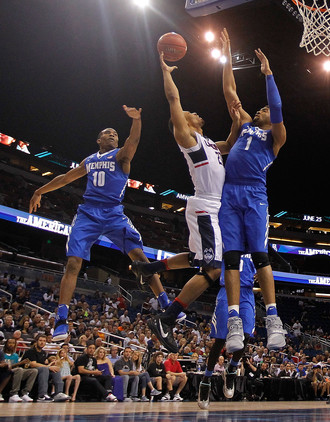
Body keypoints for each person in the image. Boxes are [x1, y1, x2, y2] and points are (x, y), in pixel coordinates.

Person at [28, 105, 175, 341]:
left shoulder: (121, 156)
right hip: (88, 213)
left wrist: (136, 120)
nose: (113, 135)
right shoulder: (90, 160)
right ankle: (61, 319)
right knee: (74, 262)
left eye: (116, 134)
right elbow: (66, 178)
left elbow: (133, 141)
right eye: (109, 133)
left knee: (141, 258)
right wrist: (40, 190)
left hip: (114, 213)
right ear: (98, 140)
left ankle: (165, 302)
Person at [132, 52, 240, 352]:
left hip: (211, 209)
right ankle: (166, 319)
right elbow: (173, 100)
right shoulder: (187, 138)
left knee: (197, 259)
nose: (193, 112)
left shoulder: (210, 144)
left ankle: (149, 267)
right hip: (206, 207)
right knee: (213, 270)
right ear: (183, 123)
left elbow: (230, 144)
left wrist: (234, 117)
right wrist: (167, 72)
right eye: (189, 112)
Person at [218, 28, 287, 353]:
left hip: (255, 195)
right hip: (229, 195)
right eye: (257, 109)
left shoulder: (275, 138)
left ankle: (273, 319)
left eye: (263, 110)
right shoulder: (246, 125)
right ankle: (234, 322)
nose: (259, 110)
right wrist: (228, 51)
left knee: (260, 256)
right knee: (230, 259)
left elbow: (277, 107)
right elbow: (230, 90)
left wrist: (268, 74)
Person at [198, 255, 256, 409]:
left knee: (247, 334)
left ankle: (232, 369)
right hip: (226, 290)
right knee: (220, 339)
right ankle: (206, 379)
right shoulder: (227, 234)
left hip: (246, 292)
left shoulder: (256, 237)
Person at [22, 334, 70, 402]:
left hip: (40, 371)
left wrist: (51, 365)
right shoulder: (31, 351)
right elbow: (33, 364)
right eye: (40, 340)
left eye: (44, 341)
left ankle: (58, 393)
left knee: (55, 369)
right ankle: (42, 395)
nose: (42, 342)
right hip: (29, 371)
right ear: (36, 342)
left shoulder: (43, 353)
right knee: (44, 369)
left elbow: (45, 365)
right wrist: (49, 367)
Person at [3, 337, 36, 402]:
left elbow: (15, 367)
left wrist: (25, 364)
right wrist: (20, 363)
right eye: (10, 343)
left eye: (13, 343)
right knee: (19, 369)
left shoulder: (15, 355)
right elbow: (7, 367)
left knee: (34, 371)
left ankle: (25, 393)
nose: (11, 345)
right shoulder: (2, 354)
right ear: (6, 344)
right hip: (5, 372)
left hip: (15, 372)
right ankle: (14, 393)